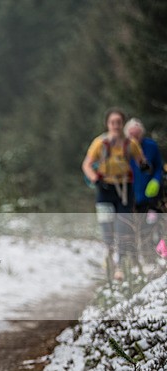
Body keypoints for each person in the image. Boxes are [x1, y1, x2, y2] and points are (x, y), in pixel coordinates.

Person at [82, 108, 151, 279]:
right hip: (105, 188)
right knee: (107, 227)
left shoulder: (130, 144)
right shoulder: (100, 143)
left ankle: (120, 265)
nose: (116, 126)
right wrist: (95, 180)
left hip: (125, 189)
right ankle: (110, 258)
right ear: (108, 124)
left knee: (123, 226)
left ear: (122, 124)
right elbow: (86, 164)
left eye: (119, 123)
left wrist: (144, 166)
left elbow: (141, 160)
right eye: (112, 123)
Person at [124, 118, 163, 259]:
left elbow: (158, 166)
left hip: (150, 194)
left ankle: (154, 254)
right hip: (132, 194)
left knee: (152, 224)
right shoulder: (123, 148)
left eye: (137, 134)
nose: (135, 138)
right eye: (131, 135)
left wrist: (156, 180)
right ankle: (134, 257)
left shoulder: (151, 146)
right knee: (133, 227)